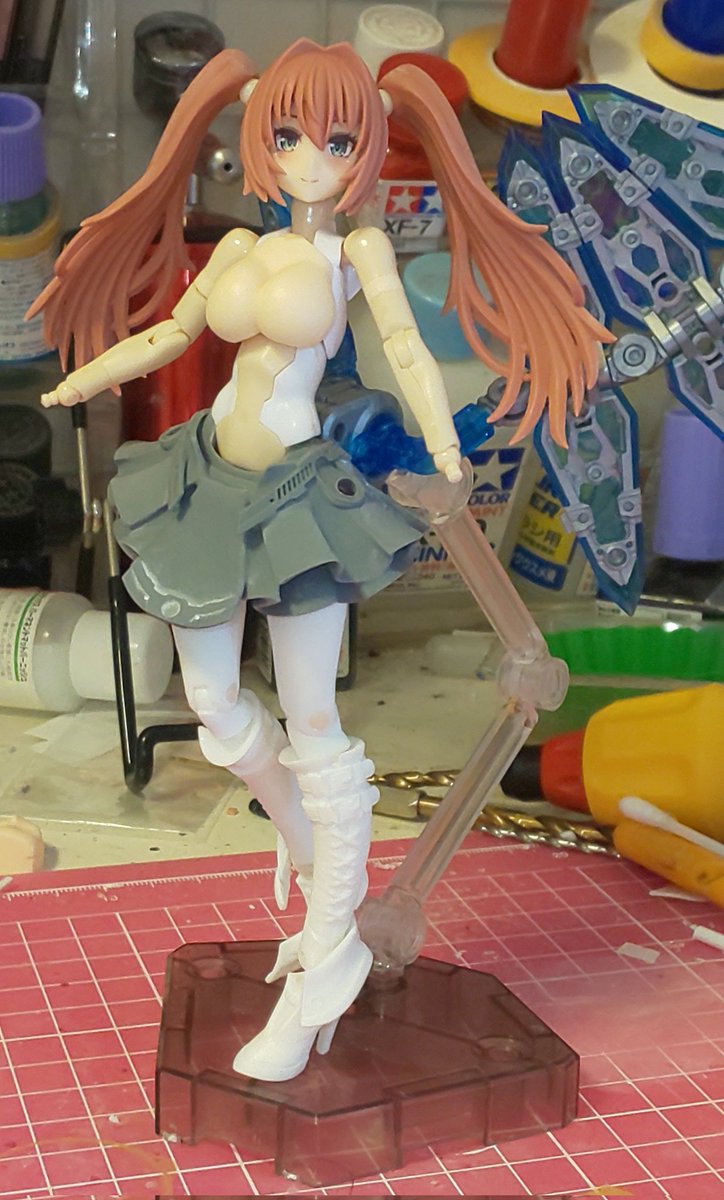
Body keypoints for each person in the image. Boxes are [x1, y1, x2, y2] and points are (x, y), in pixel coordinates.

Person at [29, 39, 609, 1082]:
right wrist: (86, 379)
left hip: (301, 502)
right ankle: (305, 845)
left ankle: (328, 947)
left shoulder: (358, 250)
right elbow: (172, 334)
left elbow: (406, 348)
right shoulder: (240, 243)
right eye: (289, 135)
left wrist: (444, 446)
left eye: (338, 141)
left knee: (313, 723)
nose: (309, 159)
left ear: (366, 150)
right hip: (209, 481)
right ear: (258, 135)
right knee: (213, 707)